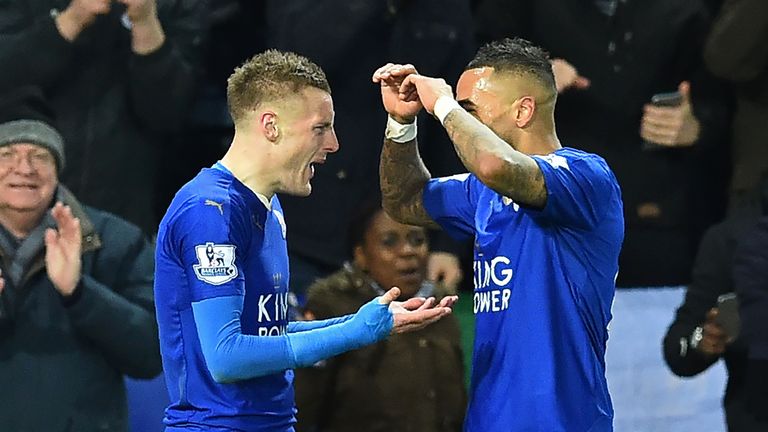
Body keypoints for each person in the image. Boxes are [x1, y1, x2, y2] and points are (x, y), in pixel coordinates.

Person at [154, 50, 457, 431]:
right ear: (271, 126)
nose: (333, 144)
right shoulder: (209, 210)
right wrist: (356, 330)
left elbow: (270, 333)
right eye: (320, 128)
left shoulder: (270, 206)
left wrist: (369, 321)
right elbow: (226, 356)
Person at [373, 38, 624, 431]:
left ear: (523, 111)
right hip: (488, 420)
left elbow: (495, 164)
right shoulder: (481, 193)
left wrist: (442, 104)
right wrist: (401, 124)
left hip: (563, 421)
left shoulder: (587, 178)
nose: (459, 120)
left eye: (469, 109)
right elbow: (403, 200)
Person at [473, 0, 732, 287]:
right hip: (552, 212)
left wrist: (700, 125)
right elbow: (475, 84)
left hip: (656, 215)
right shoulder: (518, 11)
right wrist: (526, 76)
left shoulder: (689, 10)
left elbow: (726, 95)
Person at [264, 0, 473, 301]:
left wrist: (448, 243)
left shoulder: (446, 9)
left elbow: (453, 125)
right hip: (308, 231)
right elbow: (289, 67)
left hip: (400, 237)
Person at [0, 87, 160, 431]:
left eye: (40, 155)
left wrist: (79, 293)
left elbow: (151, 355)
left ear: (58, 167)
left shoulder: (114, 241)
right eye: (7, 153)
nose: (24, 168)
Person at [0, 0, 205, 232]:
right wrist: (72, 19)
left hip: (122, 207)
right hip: (17, 202)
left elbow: (169, 114)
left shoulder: (174, 6)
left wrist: (145, 22)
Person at [294, 201, 466, 432]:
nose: (407, 251)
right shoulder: (332, 307)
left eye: (417, 240)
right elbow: (302, 407)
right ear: (361, 255)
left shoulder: (442, 307)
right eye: (389, 242)